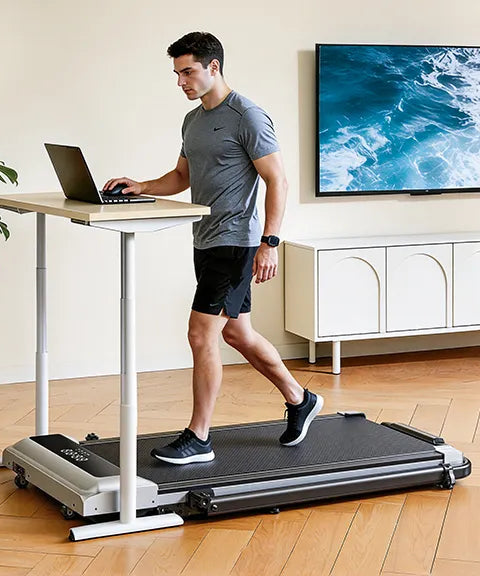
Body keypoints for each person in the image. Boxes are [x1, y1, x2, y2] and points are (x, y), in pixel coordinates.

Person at [104, 32, 323, 465]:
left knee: (200, 332)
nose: (181, 81)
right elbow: (182, 176)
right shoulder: (194, 120)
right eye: (177, 74)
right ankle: (300, 399)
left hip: (236, 241)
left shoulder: (248, 116)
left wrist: (270, 243)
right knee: (236, 331)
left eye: (188, 71)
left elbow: (276, 179)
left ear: (213, 67)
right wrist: (142, 186)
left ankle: (199, 437)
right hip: (205, 239)